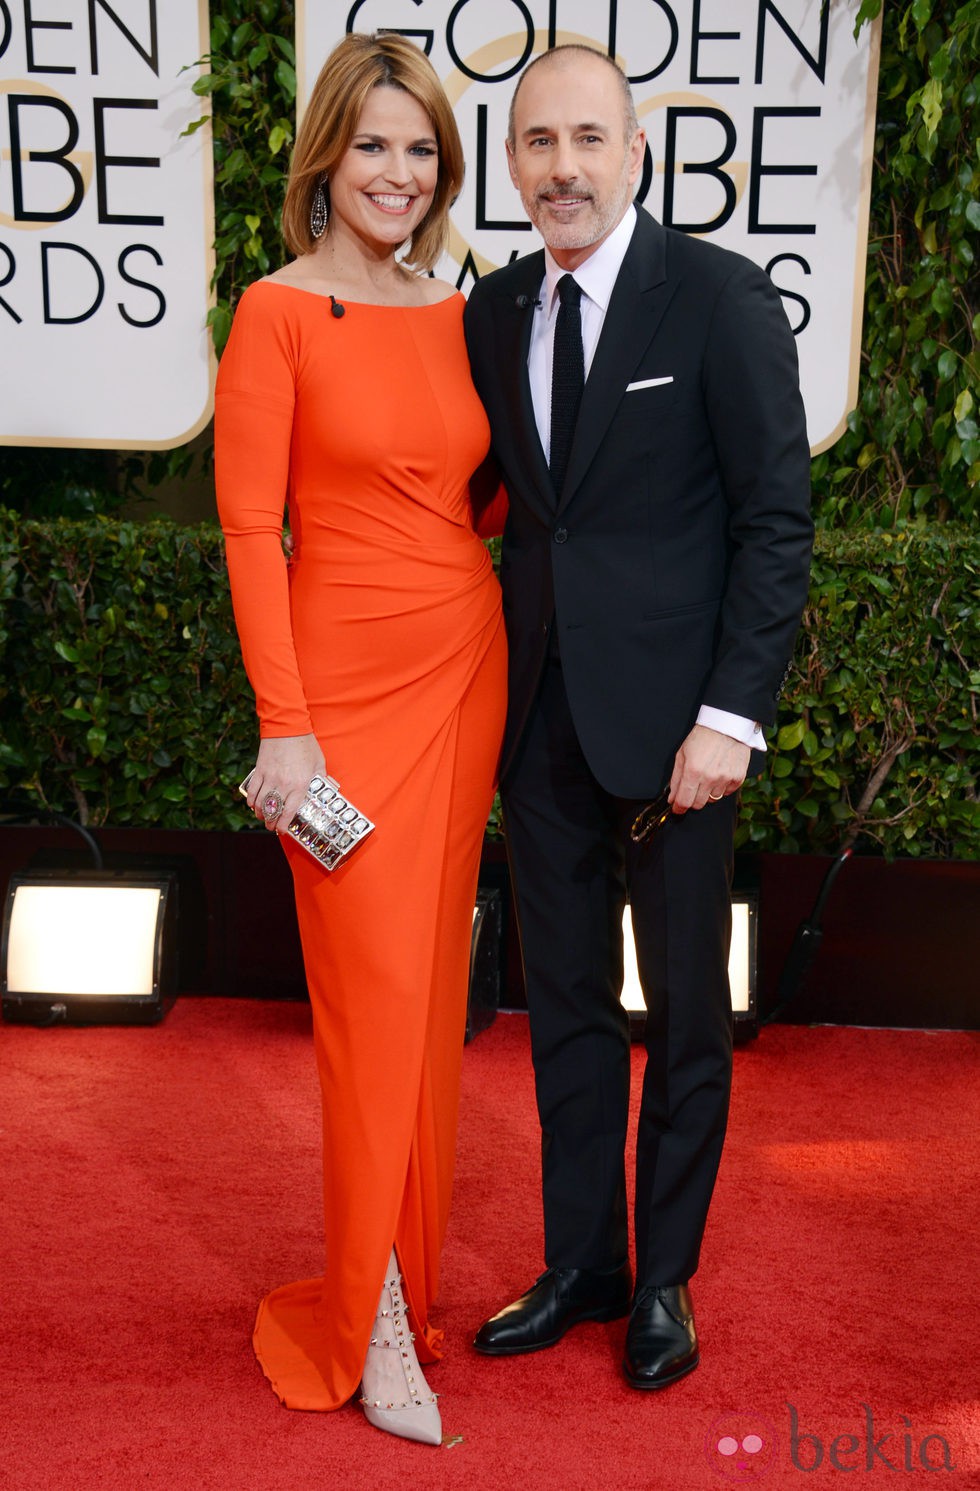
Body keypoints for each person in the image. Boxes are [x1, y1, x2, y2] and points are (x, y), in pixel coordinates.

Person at [463, 45, 813, 1389]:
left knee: (685, 1014)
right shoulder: (494, 310)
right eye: (540, 143)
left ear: (637, 149)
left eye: (589, 140)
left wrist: (733, 715)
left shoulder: (717, 299)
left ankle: (662, 1279)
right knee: (562, 1009)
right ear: (513, 162)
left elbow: (776, 521)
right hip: (540, 718)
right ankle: (582, 1263)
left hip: (683, 740)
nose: (564, 167)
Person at [214, 32, 506, 1445]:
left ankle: (407, 1280)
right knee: (368, 1013)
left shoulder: (459, 309)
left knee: (430, 1011)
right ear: (327, 152)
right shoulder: (274, 310)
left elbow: (479, 499)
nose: (400, 173)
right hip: (338, 700)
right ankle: (365, 1313)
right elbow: (248, 527)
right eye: (376, 144)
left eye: (423, 150)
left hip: (466, 669)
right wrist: (288, 728)